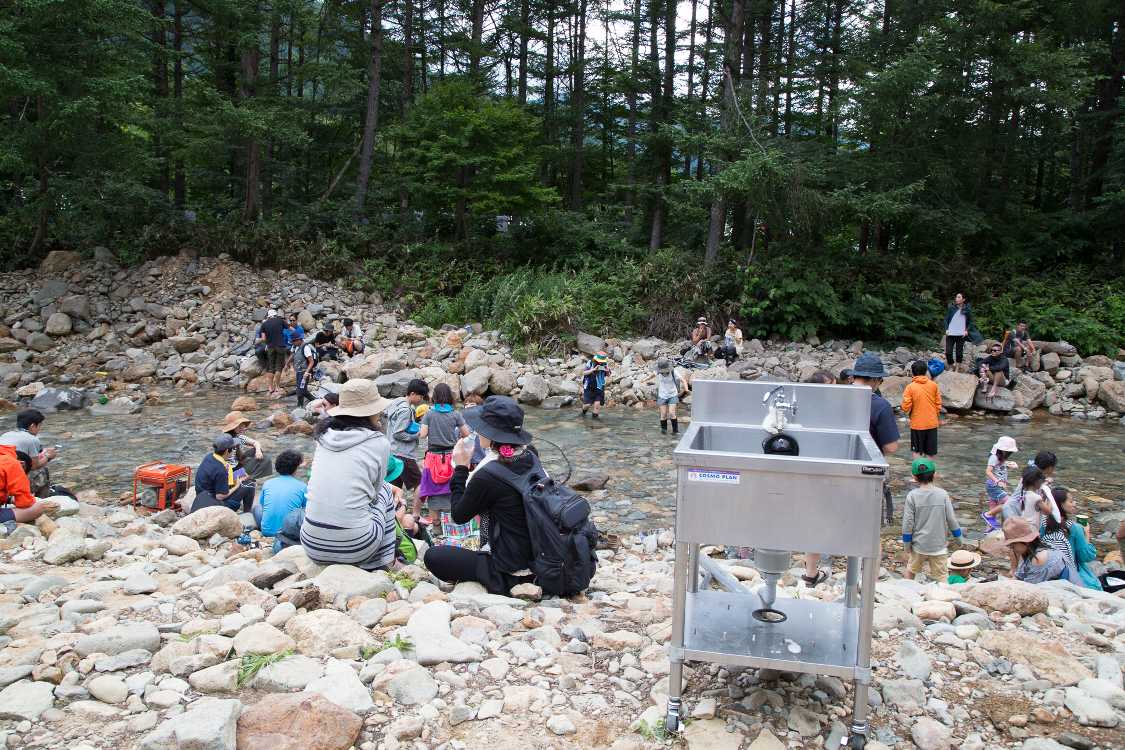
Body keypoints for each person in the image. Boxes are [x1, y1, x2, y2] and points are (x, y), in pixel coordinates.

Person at [424, 396, 539, 595]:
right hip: (540, 556)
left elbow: (458, 515)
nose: (477, 431)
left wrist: (461, 468)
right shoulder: (531, 455)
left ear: (491, 433)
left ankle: (502, 582)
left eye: (481, 427)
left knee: (433, 556)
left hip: (510, 568)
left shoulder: (488, 474)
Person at [300, 379, 398, 570]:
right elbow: (375, 492)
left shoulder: (324, 436)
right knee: (386, 491)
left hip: (312, 545)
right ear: (370, 411)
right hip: (357, 548)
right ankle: (384, 562)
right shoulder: (379, 442)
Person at [851, 352, 900, 525]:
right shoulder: (880, 405)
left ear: (854, 376)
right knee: (867, 527)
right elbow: (891, 447)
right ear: (874, 380)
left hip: (833, 472)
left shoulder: (835, 396)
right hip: (867, 473)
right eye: (881, 380)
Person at [417, 383, 471, 535]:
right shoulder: (455, 414)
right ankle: (452, 526)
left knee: (432, 491)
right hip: (451, 458)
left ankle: (436, 528)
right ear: (450, 397)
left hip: (432, 458)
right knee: (452, 489)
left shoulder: (429, 414)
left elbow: (422, 435)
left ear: (434, 397)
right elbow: (466, 434)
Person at [901, 458, 962, 581]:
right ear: (934, 474)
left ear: (914, 477)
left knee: (911, 570)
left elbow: (908, 523)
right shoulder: (943, 494)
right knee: (942, 576)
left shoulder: (912, 496)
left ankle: (907, 589)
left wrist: (907, 545)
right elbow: (951, 519)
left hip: (919, 545)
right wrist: (958, 538)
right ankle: (943, 593)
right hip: (938, 546)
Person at [1040, 488, 1100, 590]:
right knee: (1095, 585)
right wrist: (1086, 534)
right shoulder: (1075, 528)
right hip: (1069, 574)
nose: (1074, 504)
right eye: (1071, 501)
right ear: (1061, 504)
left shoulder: (1042, 523)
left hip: (1045, 571)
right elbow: (1086, 556)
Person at [0, 409, 58, 497]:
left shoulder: (6, 435)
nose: (39, 429)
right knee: (43, 471)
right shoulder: (32, 439)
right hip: (11, 482)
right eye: (39, 426)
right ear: (32, 426)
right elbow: (34, 466)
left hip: (3, 475)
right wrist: (48, 457)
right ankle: (42, 500)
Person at [254, 450, 307, 546]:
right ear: (295, 468)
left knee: (257, 508)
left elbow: (263, 505)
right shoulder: (302, 486)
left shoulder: (267, 483)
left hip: (267, 531)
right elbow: (306, 510)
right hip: (288, 533)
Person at [385, 379, 428, 493]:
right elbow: (398, 433)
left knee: (394, 487)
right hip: (403, 455)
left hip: (393, 452)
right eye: (420, 396)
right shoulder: (405, 410)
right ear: (412, 393)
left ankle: (392, 505)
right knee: (420, 483)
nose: (421, 399)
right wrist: (416, 436)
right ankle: (417, 506)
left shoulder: (397, 403)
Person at [193, 434, 255, 513]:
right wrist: (237, 485)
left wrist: (239, 474)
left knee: (243, 476)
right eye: (233, 448)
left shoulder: (209, 457)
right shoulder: (221, 469)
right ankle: (247, 513)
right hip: (213, 506)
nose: (234, 451)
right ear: (226, 451)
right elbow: (220, 496)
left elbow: (217, 477)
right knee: (250, 485)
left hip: (201, 498)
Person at [1003, 517, 1074, 584]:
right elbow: (1019, 575)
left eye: (1013, 545)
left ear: (1026, 541)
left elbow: (1029, 587)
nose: (1011, 548)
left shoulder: (1039, 558)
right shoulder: (1036, 549)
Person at [0, 445, 56, 526]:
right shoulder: (12, 463)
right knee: (38, 509)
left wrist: (9, 499)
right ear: (22, 464)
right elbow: (24, 503)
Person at [901, 360, 942, 459]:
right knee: (930, 452)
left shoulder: (910, 387)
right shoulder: (933, 385)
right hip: (932, 423)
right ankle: (929, 469)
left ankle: (918, 469)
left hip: (917, 424)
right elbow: (938, 404)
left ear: (913, 373)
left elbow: (906, 406)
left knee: (917, 451)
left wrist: (906, 410)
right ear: (926, 371)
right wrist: (936, 417)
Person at [219, 411, 271, 481]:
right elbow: (225, 465)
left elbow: (255, 443)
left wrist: (258, 451)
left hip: (237, 464)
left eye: (243, 425)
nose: (243, 428)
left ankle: (248, 476)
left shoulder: (239, 437)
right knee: (266, 460)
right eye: (239, 426)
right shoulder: (227, 441)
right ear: (232, 428)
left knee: (257, 450)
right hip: (231, 473)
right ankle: (247, 478)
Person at [980, 436, 1018, 529]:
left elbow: (998, 467)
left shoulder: (1001, 457)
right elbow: (988, 471)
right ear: (1003, 450)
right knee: (1008, 503)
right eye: (1009, 452)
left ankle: (989, 529)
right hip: (993, 486)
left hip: (997, 486)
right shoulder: (994, 457)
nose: (1010, 453)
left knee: (993, 507)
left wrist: (1009, 464)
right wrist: (997, 481)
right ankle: (987, 514)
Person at [257, 309, 289, 397]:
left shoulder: (264, 324)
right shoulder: (280, 321)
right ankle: (277, 386)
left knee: (271, 367)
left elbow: (263, 339)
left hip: (270, 347)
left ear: (268, 316)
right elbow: (290, 328)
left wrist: (258, 341)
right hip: (280, 346)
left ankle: (270, 387)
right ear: (276, 315)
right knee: (278, 367)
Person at [943, 293, 974, 372]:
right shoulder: (951, 308)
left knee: (959, 353)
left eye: (959, 297)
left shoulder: (967, 309)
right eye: (956, 297)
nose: (956, 298)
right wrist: (946, 329)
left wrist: (967, 330)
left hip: (961, 335)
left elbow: (971, 322)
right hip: (950, 334)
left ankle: (957, 368)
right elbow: (946, 319)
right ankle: (951, 365)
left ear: (963, 299)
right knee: (948, 352)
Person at [655, 359, 687, 435]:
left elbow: (683, 380)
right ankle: (664, 433)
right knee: (663, 415)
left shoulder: (673, 372)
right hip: (662, 395)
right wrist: (644, 380)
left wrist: (686, 389)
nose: (662, 372)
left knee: (672, 413)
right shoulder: (658, 372)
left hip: (672, 395)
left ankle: (675, 432)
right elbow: (652, 375)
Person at [290, 331, 317, 408]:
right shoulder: (296, 347)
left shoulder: (306, 348)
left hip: (305, 372)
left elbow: (311, 361)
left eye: (294, 341)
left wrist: (306, 373)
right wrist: (286, 365)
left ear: (299, 340)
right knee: (302, 390)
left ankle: (300, 406)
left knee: (300, 390)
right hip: (299, 372)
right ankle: (315, 401)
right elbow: (292, 355)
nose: (293, 343)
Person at [581, 351, 610, 419]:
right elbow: (584, 373)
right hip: (589, 386)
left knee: (597, 405)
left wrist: (607, 371)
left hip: (599, 386)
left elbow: (608, 375)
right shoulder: (590, 362)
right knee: (587, 405)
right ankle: (583, 414)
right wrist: (593, 369)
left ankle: (595, 422)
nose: (601, 362)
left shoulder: (605, 364)